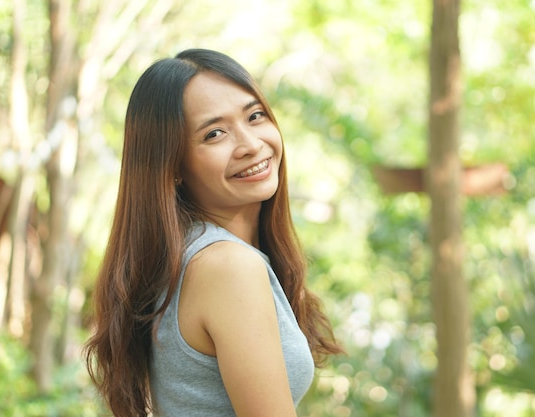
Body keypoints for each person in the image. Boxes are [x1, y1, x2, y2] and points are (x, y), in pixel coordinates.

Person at [84, 48, 343, 417]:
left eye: (255, 116)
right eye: (215, 133)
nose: (251, 145)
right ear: (172, 164)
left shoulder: (187, 257)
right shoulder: (227, 267)